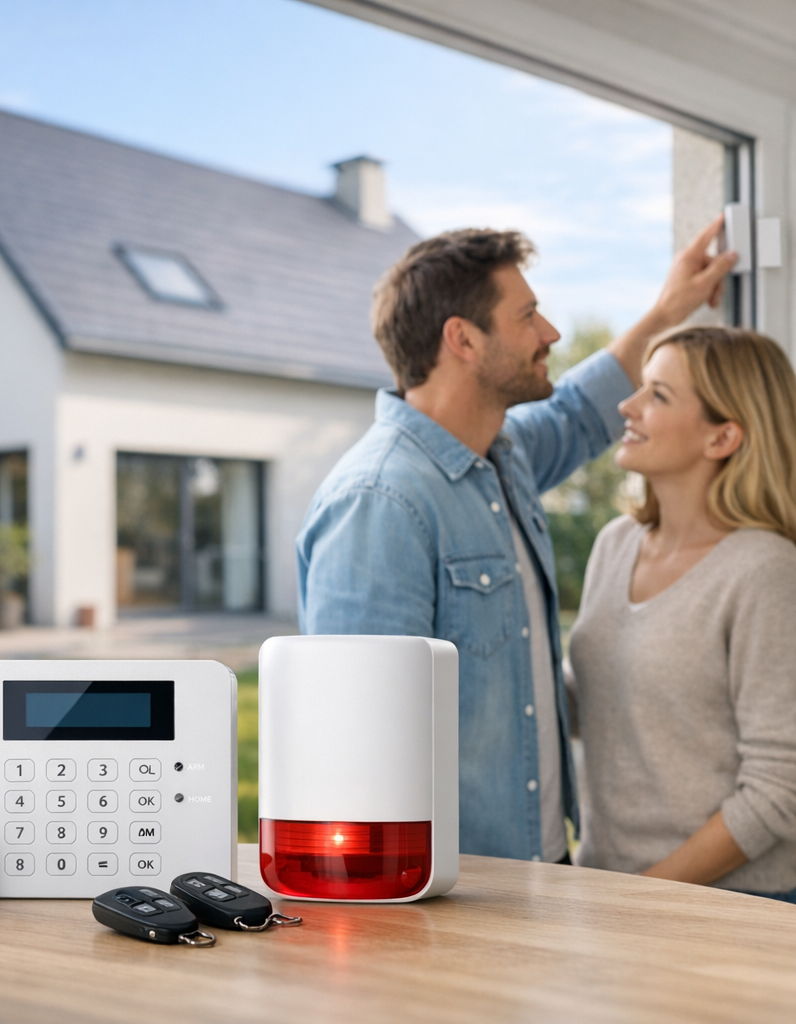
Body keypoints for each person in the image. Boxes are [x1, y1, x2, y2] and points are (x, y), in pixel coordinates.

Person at [297, 218, 736, 863]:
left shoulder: (504, 456)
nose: (550, 333)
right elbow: (357, 750)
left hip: (539, 865)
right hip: (457, 892)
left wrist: (668, 310)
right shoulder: (380, 502)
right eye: (528, 316)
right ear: (463, 339)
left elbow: (578, 411)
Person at [569, 326, 796, 899]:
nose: (628, 406)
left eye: (658, 395)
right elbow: (598, 700)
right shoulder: (615, 543)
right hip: (609, 891)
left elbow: (780, 787)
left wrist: (642, 897)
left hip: (729, 909)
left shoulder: (765, 571)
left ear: (723, 436)